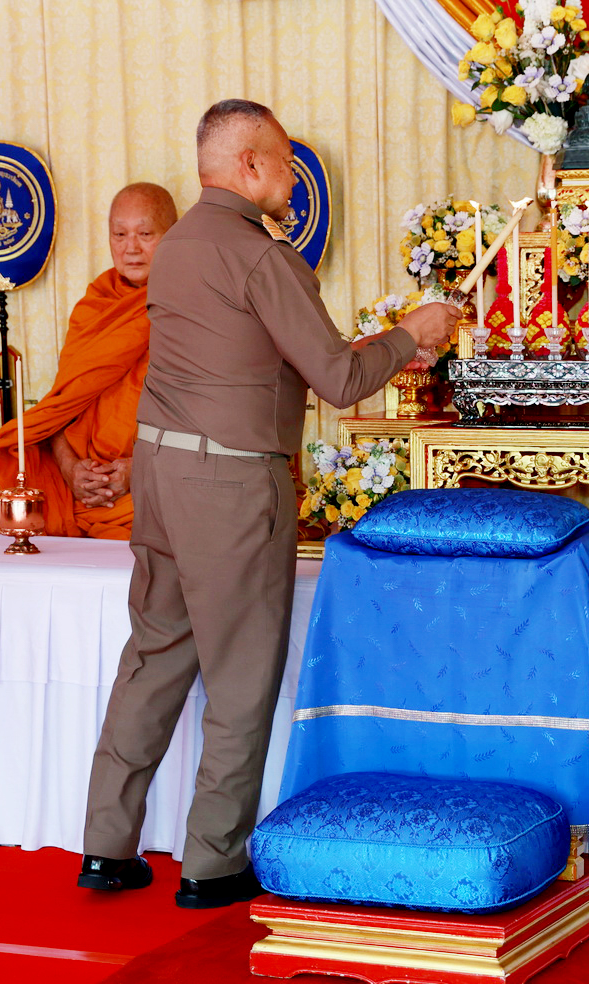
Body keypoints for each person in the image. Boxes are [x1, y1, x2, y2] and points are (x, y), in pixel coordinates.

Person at [77, 100, 460, 908]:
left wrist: (393, 343)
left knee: (152, 659)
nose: (293, 177)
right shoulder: (262, 256)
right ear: (249, 166)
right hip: (229, 485)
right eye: (286, 161)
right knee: (242, 677)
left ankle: (106, 847)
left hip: (161, 473)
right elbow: (341, 379)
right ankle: (211, 863)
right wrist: (413, 330)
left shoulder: (176, 246)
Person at [0, 182, 178, 539]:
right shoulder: (95, 307)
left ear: (173, 235)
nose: (131, 248)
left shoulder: (191, 308)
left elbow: (205, 424)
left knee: (182, 518)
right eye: (119, 234)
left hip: (153, 477)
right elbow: (61, 406)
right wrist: (70, 468)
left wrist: (137, 470)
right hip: (76, 480)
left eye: (145, 234)